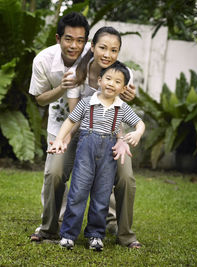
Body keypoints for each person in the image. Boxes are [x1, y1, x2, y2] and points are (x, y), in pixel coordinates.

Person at [48, 61, 145, 251]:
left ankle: (95, 235)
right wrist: (60, 139)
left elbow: (140, 123)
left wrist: (137, 133)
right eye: (108, 78)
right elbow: (70, 120)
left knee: (101, 196)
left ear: (124, 88)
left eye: (117, 82)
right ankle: (68, 235)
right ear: (99, 80)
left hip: (108, 154)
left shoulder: (122, 107)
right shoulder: (87, 102)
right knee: (77, 193)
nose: (111, 84)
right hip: (86, 151)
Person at [29, 12, 90, 241]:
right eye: (68, 39)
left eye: (80, 40)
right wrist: (61, 89)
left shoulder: (94, 53)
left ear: (86, 41)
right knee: (54, 173)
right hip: (60, 126)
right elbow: (40, 99)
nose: (74, 45)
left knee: (105, 174)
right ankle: (49, 227)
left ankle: (109, 225)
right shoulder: (43, 60)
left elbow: (119, 73)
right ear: (58, 38)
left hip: (94, 127)